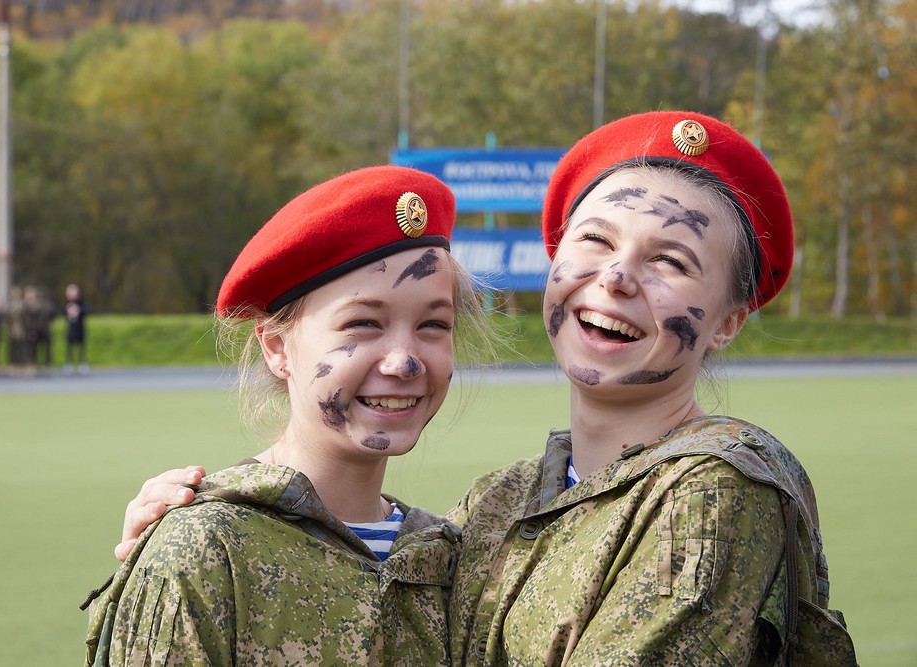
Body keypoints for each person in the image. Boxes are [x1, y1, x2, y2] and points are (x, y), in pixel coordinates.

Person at [114, 112, 856, 665]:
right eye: (595, 242)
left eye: (671, 260)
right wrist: (198, 529)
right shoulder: (487, 514)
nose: (619, 276)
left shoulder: (720, 487)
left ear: (727, 320)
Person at [82, 166, 499, 666]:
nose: (404, 361)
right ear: (277, 347)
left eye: (433, 324)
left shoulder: (456, 562)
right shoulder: (209, 552)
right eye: (363, 324)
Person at [64, 283, 90, 374]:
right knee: (69, 348)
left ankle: (82, 363)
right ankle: (69, 363)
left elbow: (86, 311)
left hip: (80, 329)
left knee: (81, 348)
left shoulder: (82, 303)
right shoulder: (66, 304)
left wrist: (78, 310)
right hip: (70, 329)